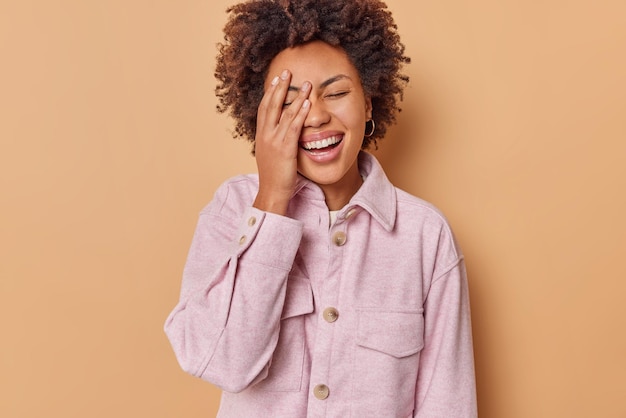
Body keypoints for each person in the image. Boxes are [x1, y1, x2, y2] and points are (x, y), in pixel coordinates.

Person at [164, 0, 477, 416]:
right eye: (289, 103)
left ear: (368, 104)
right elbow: (222, 362)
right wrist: (273, 201)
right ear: (261, 118)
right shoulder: (232, 209)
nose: (314, 117)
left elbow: (447, 403)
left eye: (337, 93)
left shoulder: (425, 236)